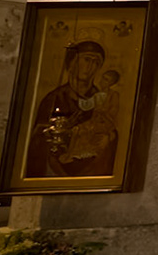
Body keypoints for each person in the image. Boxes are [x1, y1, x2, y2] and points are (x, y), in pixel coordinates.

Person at [25, 40, 116, 179]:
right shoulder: (55, 98)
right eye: (87, 60)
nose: (91, 66)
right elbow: (37, 138)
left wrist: (106, 137)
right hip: (56, 164)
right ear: (72, 63)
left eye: (96, 62)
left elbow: (108, 125)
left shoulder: (101, 99)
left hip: (91, 166)